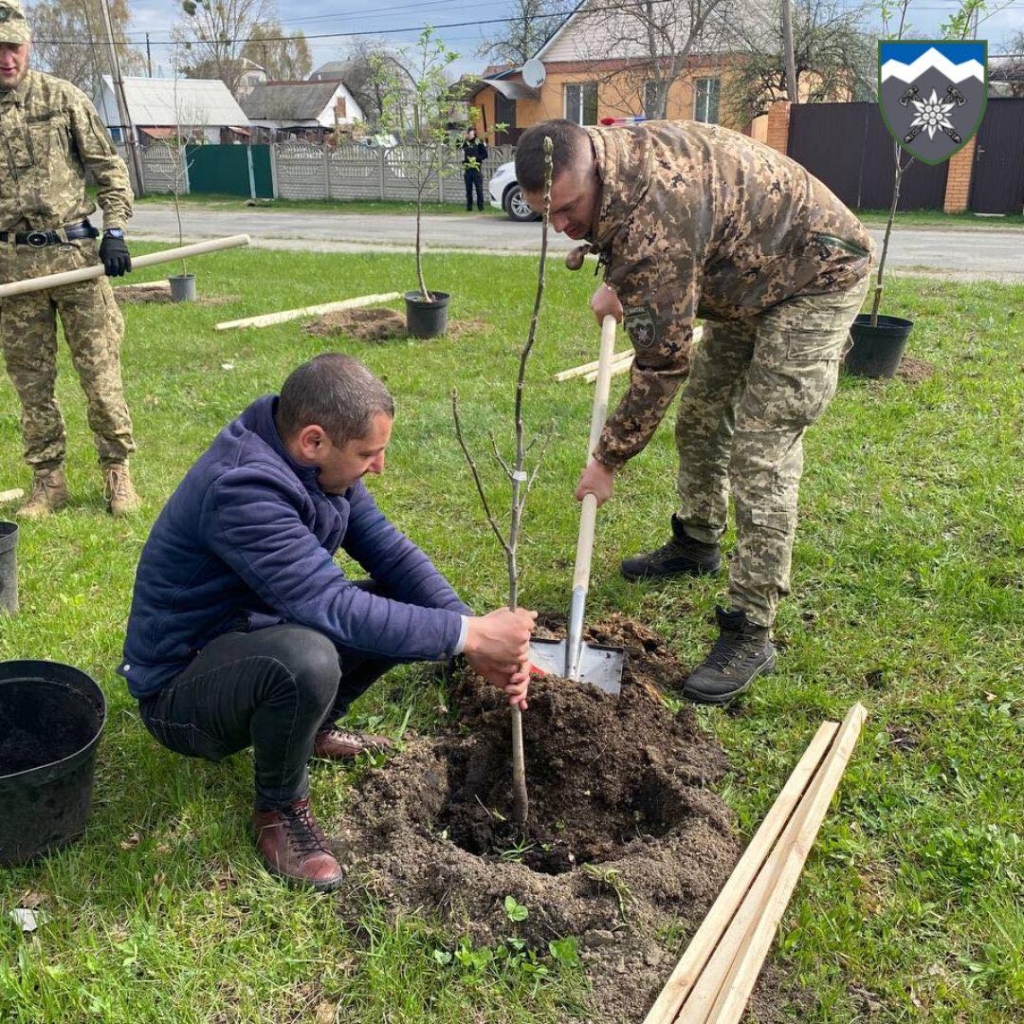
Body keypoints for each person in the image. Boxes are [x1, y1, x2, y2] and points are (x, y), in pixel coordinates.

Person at [119, 353, 537, 891]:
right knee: (306, 660)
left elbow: (391, 555)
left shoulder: (312, 464)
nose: (379, 467)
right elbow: (332, 606)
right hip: (182, 690)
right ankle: (279, 809)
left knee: (397, 607)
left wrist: (468, 632)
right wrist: (470, 636)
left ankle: (311, 730)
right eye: (368, 453)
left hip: (248, 634)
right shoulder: (242, 488)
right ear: (313, 440)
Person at [516, 119, 873, 706]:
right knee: (702, 418)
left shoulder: (655, 209)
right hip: (749, 274)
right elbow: (654, 243)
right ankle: (697, 541)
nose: (559, 226)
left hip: (817, 273)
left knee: (760, 454)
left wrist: (607, 460)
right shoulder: (616, 168)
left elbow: (662, 364)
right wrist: (622, 280)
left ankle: (750, 628)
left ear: (596, 170)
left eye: (568, 208)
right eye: (545, 214)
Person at [0, 0, 140, 518]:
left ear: (28, 46)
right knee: (31, 384)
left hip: (75, 260)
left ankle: (117, 473)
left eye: (13, 47)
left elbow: (110, 170)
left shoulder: (63, 99)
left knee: (100, 377)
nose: (5, 58)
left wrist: (115, 230)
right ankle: (48, 481)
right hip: (13, 270)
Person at [462, 127, 488, 212]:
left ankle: (481, 207)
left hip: (477, 169)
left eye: (470, 132)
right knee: (468, 190)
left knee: (479, 189)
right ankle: (469, 207)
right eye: (468, 132)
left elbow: (485, 155)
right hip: (468, 169)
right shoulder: (465, 143)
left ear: (474, 133)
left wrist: (476, 158)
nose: (469, 134)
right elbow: (457, 147)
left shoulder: (478, 142)